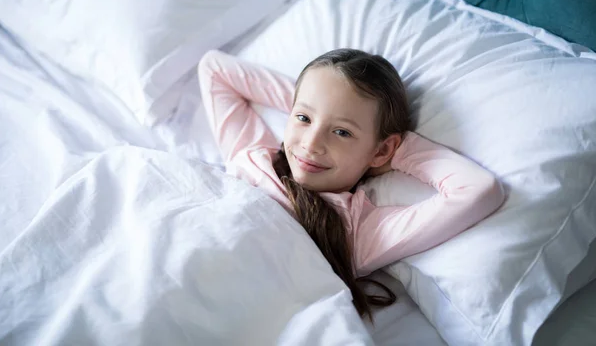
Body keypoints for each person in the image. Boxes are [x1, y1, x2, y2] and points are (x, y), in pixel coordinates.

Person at [198, 48, 505, 321]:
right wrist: (313, 102)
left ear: (382, 150)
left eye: (342, 132)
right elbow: (214, 68)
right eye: (302, 119)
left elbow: (477, 189)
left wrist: (394, 152)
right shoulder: (252, 154)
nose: (311, 144)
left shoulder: (359, 232)